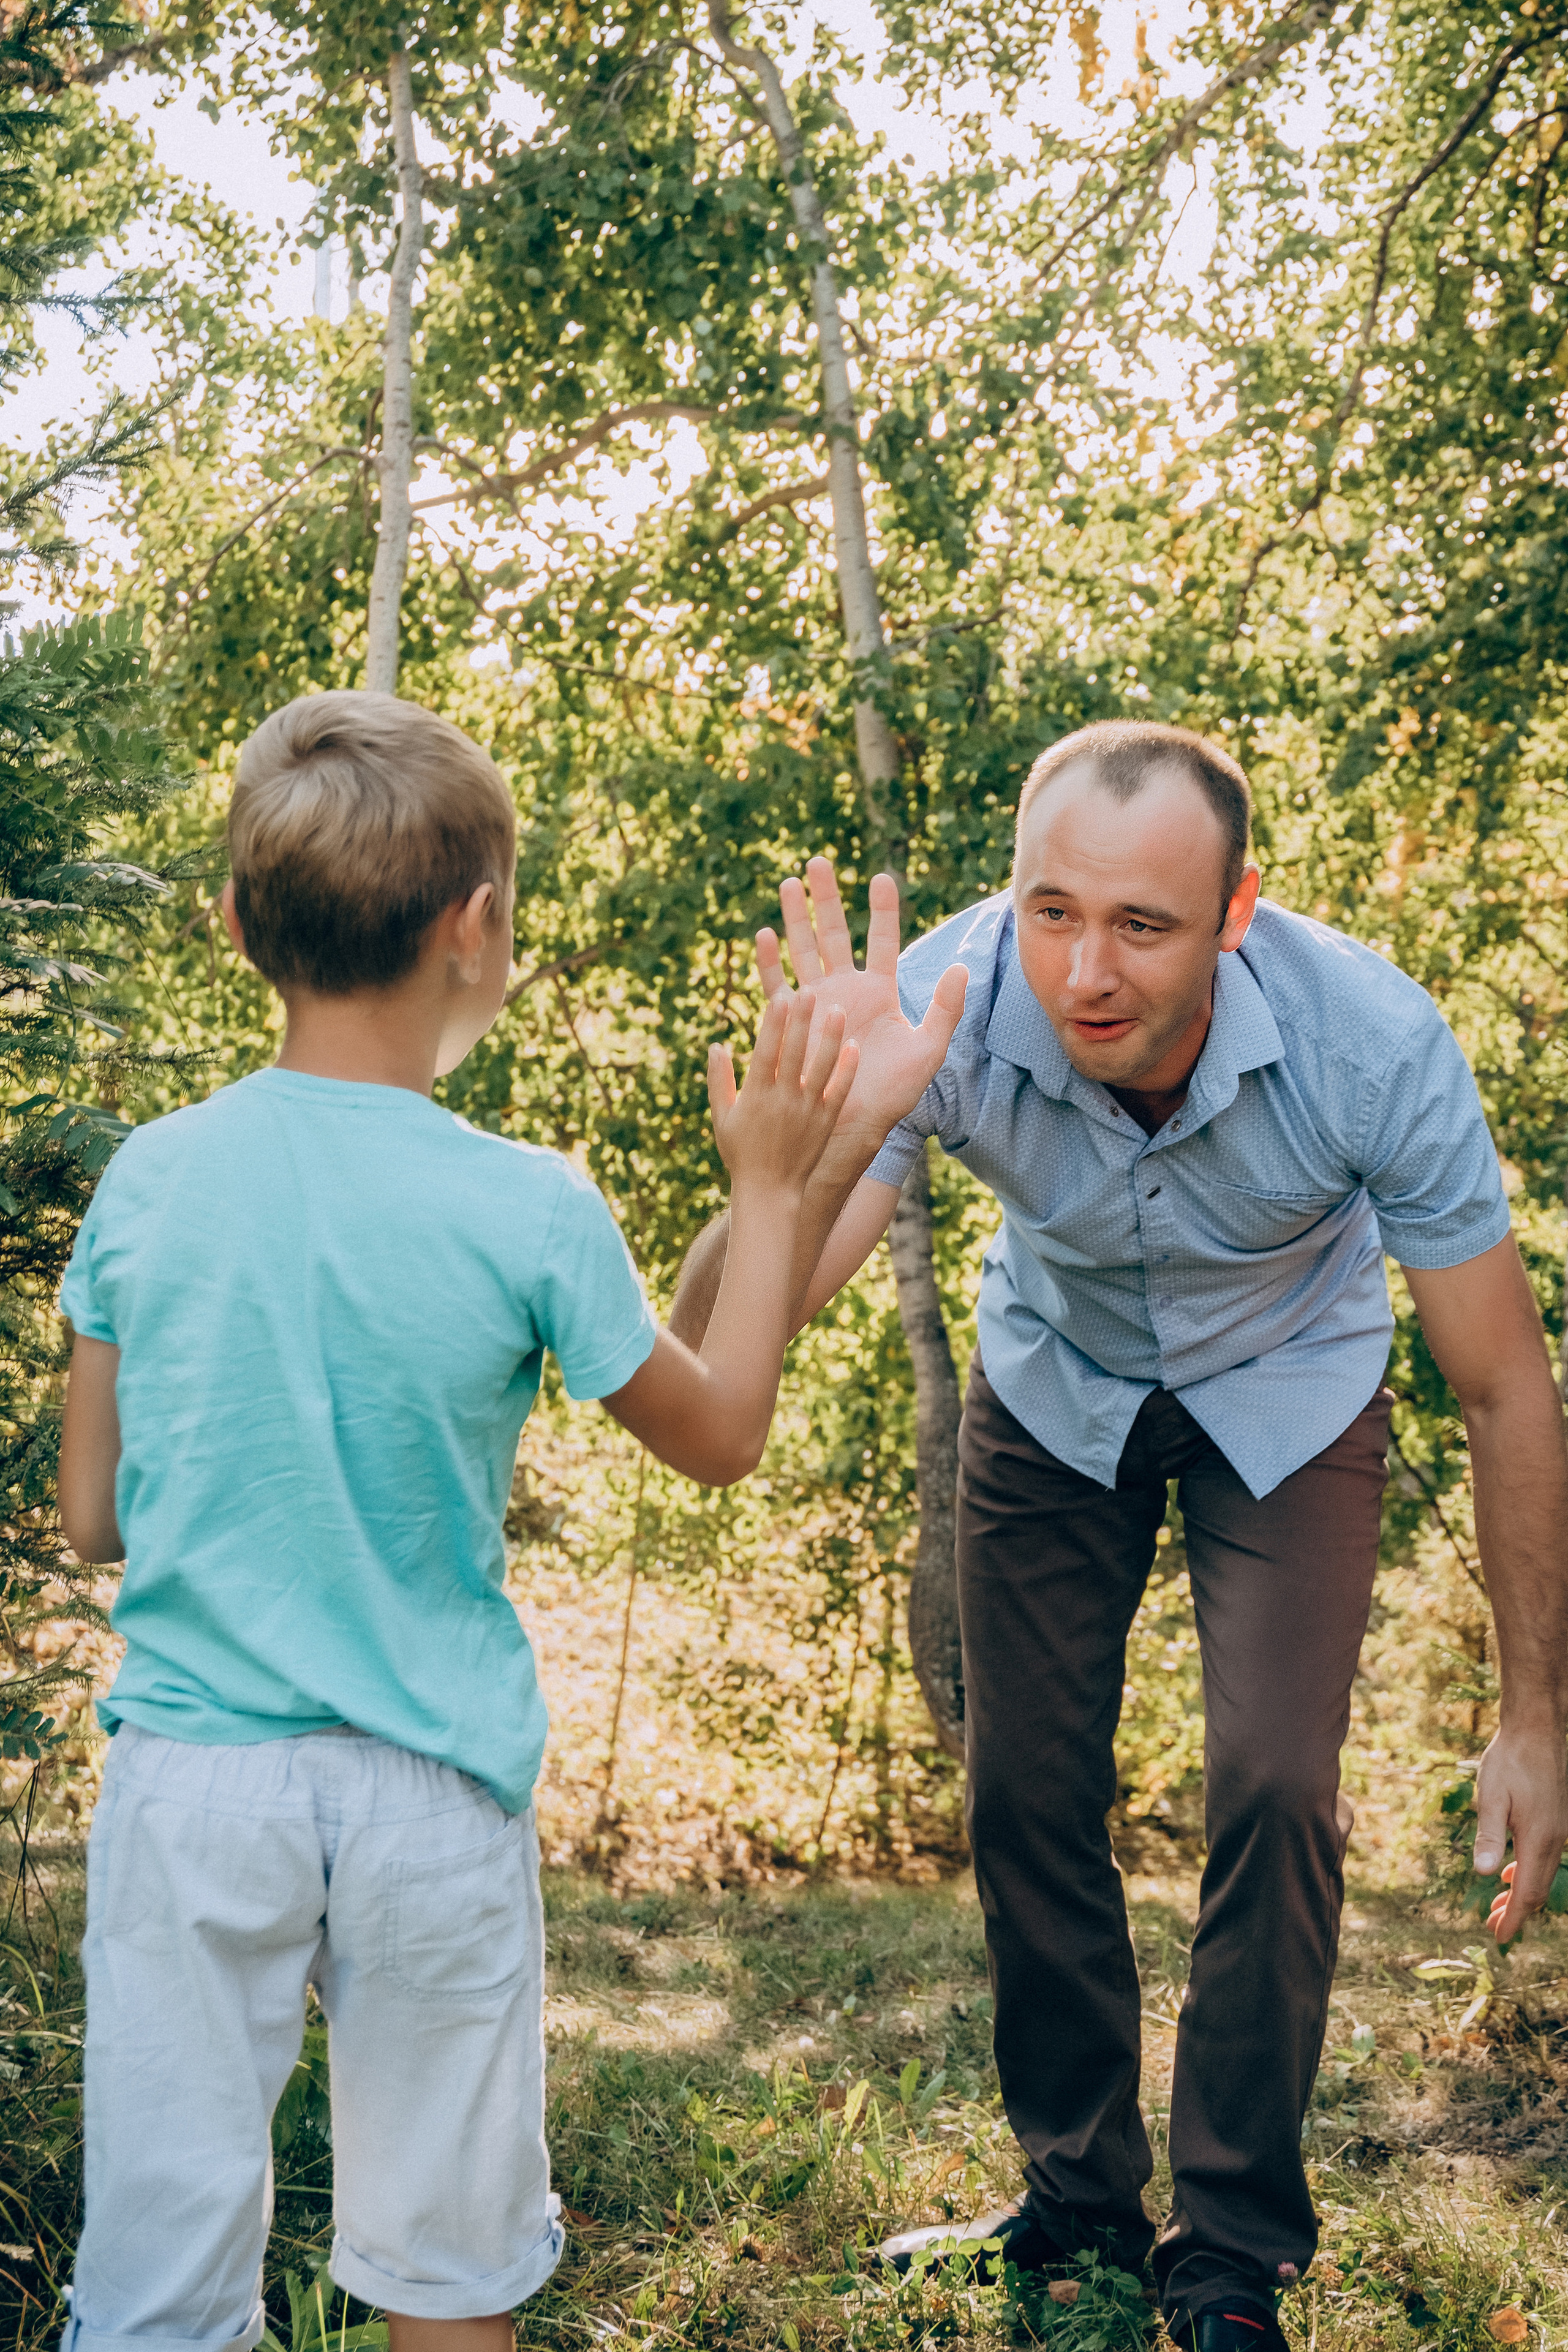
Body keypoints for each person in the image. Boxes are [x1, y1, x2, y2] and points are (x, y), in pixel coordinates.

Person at [53, 688, 951, 2352]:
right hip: (428, 1796)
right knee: (449, 2275)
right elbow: (722, 1430)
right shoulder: (527, 1203)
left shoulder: (149, 1180)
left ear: (240, 923)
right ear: (478, 932)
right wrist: (775, 1177)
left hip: (194, 1792)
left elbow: (92, 1513)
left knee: (158, 2286)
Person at [669, 719, 1568, 2352]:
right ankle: (1078, 2195)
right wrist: (791, 1155)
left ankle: (1228, 2254)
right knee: (1023, 1789)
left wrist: (1536, 1714)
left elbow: (1507, 1383)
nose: (1086, 970)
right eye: (1052, 910)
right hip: (1059, 1382)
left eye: (1143, 925)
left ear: (1234, 917)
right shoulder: (942, 1002)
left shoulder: (1372, 1044)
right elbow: (749, 1331)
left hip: (1288, 1396)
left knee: (1281, 1790)